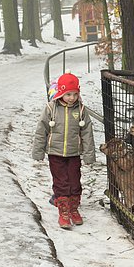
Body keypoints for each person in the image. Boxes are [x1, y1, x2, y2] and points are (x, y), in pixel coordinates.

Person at [32, 73, 96, 229]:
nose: (71, 98)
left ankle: (74, 209)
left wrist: (89, 154)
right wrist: (38, 151)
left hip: (74, 153)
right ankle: (64, 211)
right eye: (68, 94)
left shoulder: (80, 110)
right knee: (61, 182)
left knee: (74, 181)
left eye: (75, 94)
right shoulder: (51, 109)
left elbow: (87, 133)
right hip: (55, 154)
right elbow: (42, 131)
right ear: (61, 92)